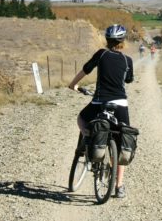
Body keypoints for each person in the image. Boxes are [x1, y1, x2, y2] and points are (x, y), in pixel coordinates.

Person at [68, 24, 134, 198]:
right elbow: (128, 80)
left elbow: (86, 69)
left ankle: (89, 138)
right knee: (121, 144)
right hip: (120, 105)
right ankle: (119, 186)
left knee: (82, 119)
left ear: (107, 40)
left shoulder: (101, 54)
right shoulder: (128, 60)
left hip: (99, 101)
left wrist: (73, 85)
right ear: (122, 41)